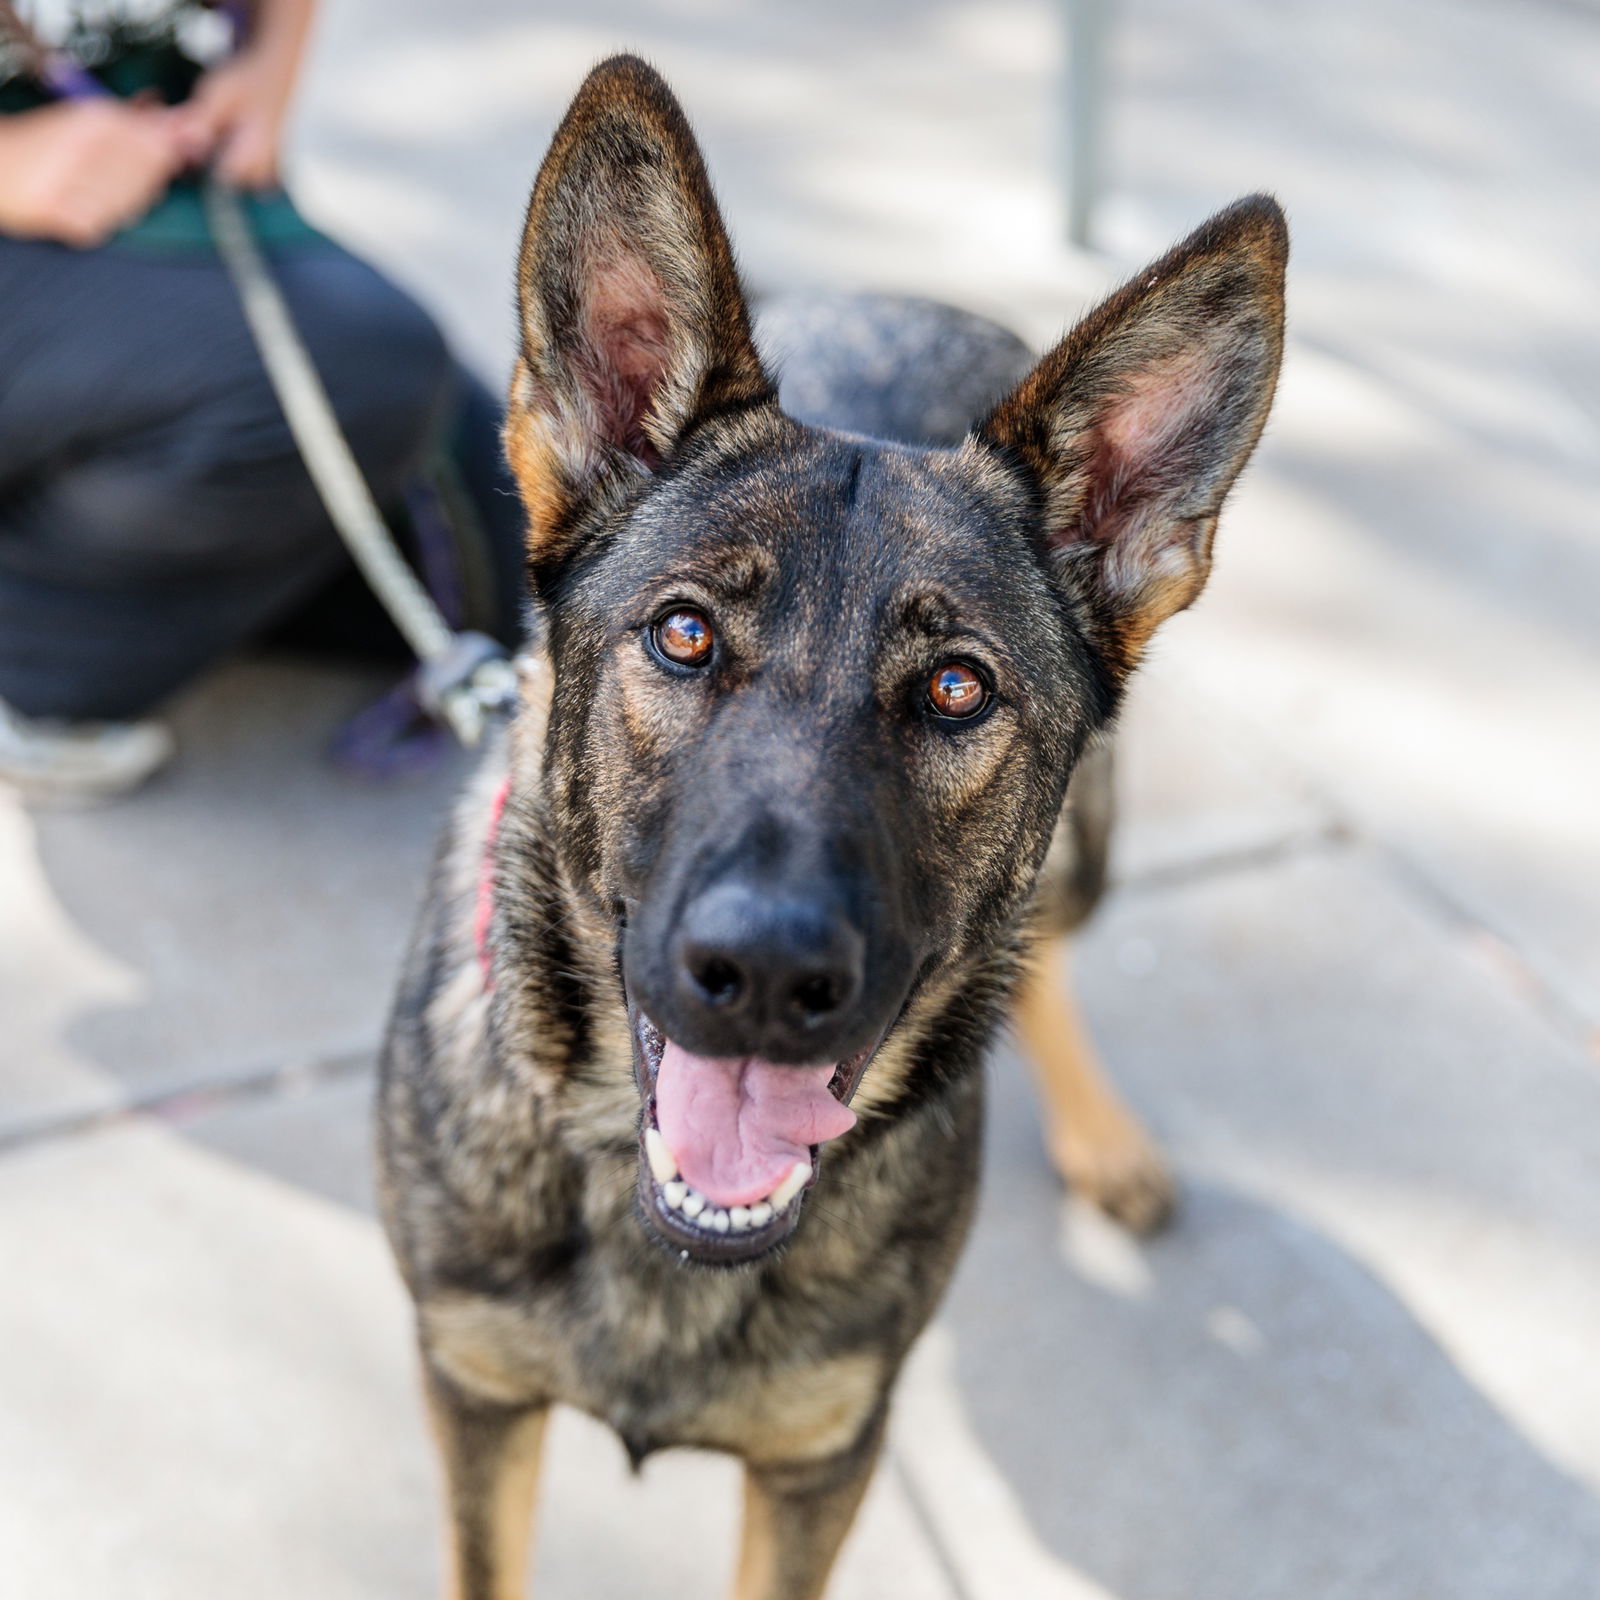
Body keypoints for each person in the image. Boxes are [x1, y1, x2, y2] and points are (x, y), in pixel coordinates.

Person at [0, 0, 524, 800]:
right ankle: (35, 654)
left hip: (137, 140)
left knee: (516, 568)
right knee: (365, 371)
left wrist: (269, 62)